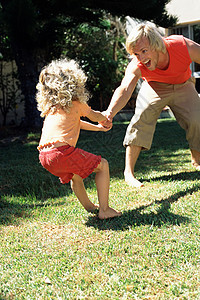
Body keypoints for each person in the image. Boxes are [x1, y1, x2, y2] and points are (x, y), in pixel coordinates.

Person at [103, 22, 200, 188]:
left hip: (183, 84)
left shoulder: (182, 46)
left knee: (196, 119)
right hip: (155, 86)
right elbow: (125, 88)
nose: (140, 58)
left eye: (143, 51)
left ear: (156, 44)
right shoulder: (137, 64)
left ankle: (197, 159)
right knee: (142, 118)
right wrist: (109, 113)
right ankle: (129, 173)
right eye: (136, 53)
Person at [36, 58, 121, 219]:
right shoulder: (76, 104)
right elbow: (95, 115)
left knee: (75, 176)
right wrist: (104, 118)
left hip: (45, 157)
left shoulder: (52, 109)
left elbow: (77, 123)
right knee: (103, 166)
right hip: (61, 152)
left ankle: (89, 207)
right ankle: (104, 210)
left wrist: (98, 129)